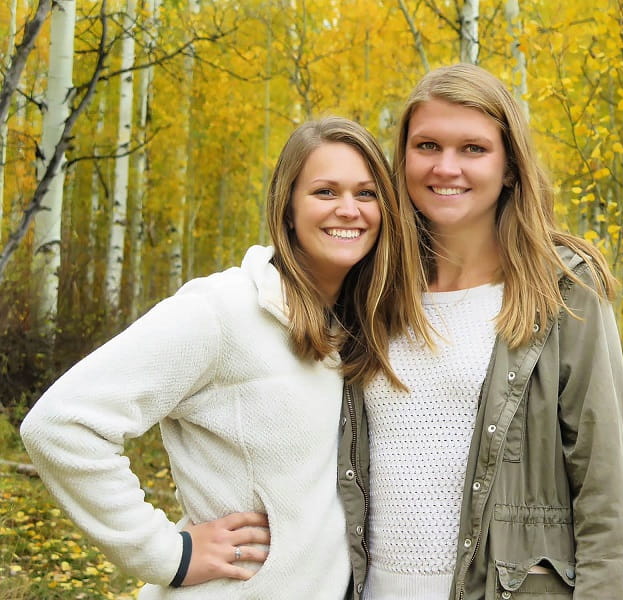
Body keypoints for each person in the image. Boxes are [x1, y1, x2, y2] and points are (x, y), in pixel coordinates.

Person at [21, 117, 430, 599]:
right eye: (325, 191)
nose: (348, 209)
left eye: (366, 193)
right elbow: (61, 424)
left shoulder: (354, 330)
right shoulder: (223, 311)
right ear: (287, 208)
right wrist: (168, 554)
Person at [338, 64, 623, 599]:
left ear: (508, 167)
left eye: (473, 149)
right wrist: (192, 548)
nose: (446, 167)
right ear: (403, 159)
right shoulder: (370, 287)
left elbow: (606, 499)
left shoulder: (562, 290)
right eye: (427, 145)